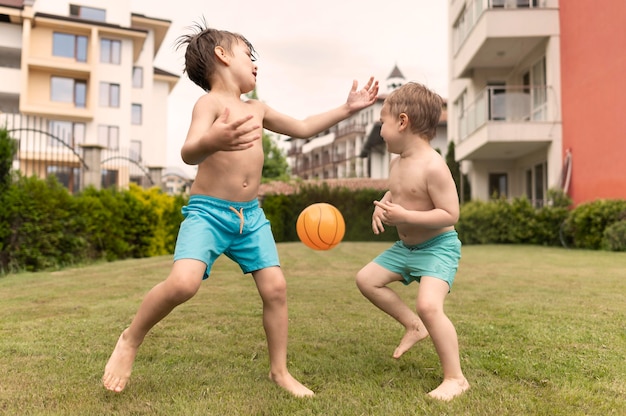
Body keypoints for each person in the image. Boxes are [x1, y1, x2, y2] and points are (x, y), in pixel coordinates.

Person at [102, 22, 379, 397]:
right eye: (249, 55)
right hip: (208, 214)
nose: (255, 64)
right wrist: (214, 138)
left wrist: (347, 109)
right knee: (183, 284)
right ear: (222, 55)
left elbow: (301, 127)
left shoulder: (258, 108)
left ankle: (279, 371)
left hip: (250, 217)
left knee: (276, 289)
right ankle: (131, 338)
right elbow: (189, 151)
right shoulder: (209, 104)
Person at [355, 82, 469, 401]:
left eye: (383, 122)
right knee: (366, 280)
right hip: (406, 249)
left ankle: (455, 378)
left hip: (437, 249)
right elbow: (399, 191)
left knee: (429, 305)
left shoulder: (434, 166)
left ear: (402, 122)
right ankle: (413, 326)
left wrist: (404, 216)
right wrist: (385, 204)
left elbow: (450, 213)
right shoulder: (396, 163)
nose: (380, 132)